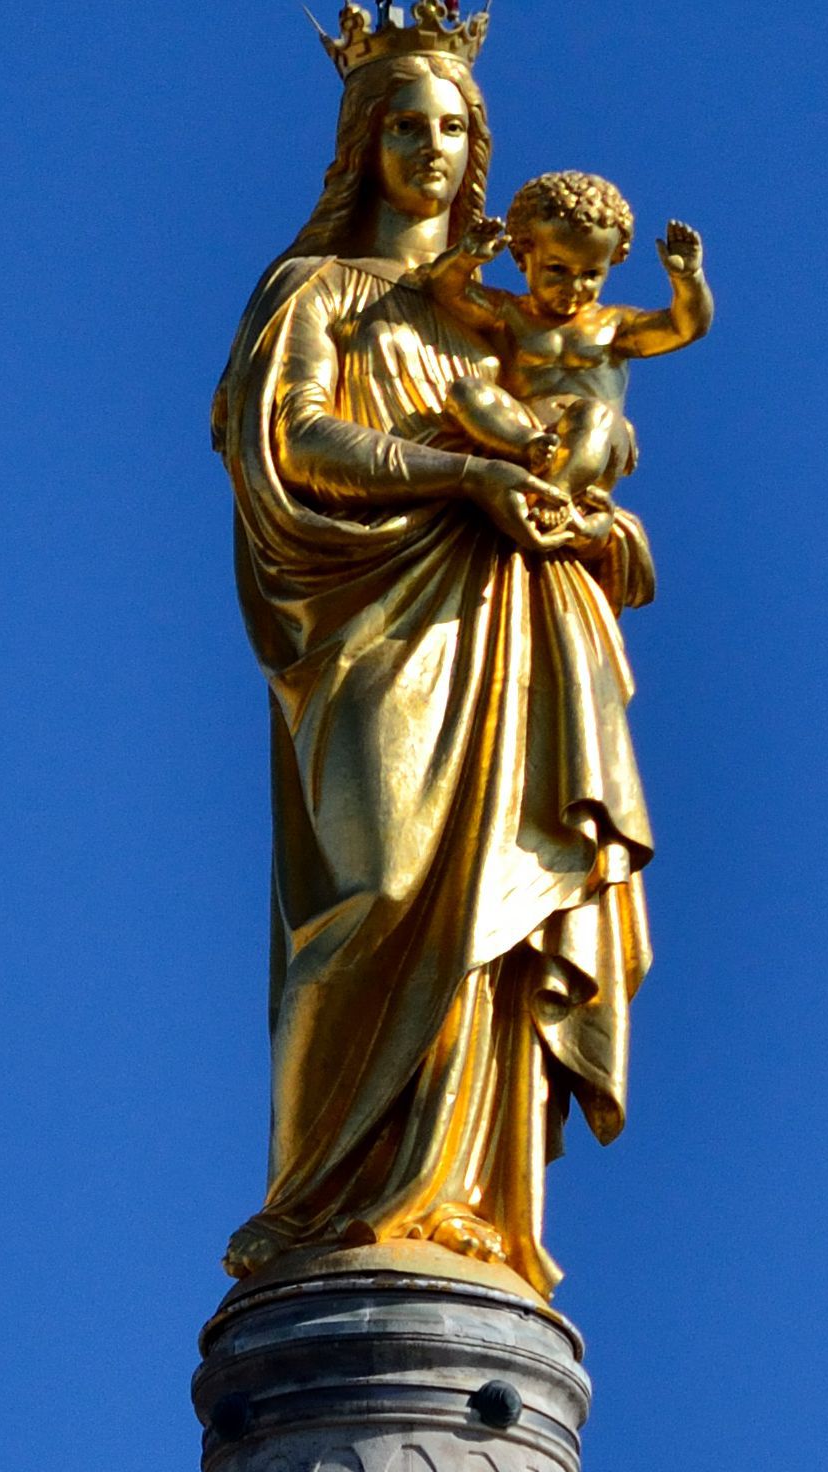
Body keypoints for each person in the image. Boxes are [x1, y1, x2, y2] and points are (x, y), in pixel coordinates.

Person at [212, 6, 658, 1299]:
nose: (430, 147)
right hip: (375, 628)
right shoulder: (321, 296)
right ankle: (319, 1198)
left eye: (452, 127)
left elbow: (586, 428)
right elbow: (291, 440)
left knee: (496, 917)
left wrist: (584, 495)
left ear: (480, 153)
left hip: (513, 625)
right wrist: (461, 475)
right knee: (384, 883)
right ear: (364, 141)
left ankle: (464, 1199)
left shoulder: (510, 318)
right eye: (404, 122)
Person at [420, 171, 712, 509]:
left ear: (611, 262)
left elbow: (685, 326)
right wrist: (465, 257)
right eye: (557, 270)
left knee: (593, 415)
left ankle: (552, 498)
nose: (574, 287)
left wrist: (688, 277)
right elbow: (444, 289)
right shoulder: (509, 314)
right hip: (525, 434)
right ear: (522, 256)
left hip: (597, 443)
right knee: (466, 392)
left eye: (590, 275)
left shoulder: (614, 325)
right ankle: (529, 446)